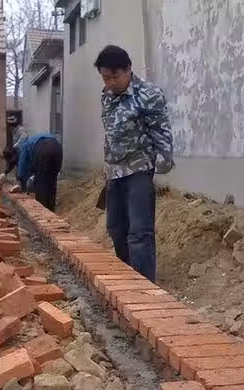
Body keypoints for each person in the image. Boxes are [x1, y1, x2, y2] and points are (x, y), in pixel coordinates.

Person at [95, 45, 174, 282]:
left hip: (139, 168)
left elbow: (161, 129)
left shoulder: (148, 94)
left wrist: (164, 161)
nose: (110, 83)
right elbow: (110, 133)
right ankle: (128, 277)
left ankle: (144, 285)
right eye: (105, 78)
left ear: (128, 69)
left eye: (114, 77)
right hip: (114, 172)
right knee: (115, 228)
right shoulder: (106, 95)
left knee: (139, 232)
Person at [1, 133, 62, 212]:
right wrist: (5, 172)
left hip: (42, 148)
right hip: (57, 147)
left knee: (41, 183)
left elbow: (22, 169)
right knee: (52, 181)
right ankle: (51, 210)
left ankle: (43, 211)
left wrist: (21, 186)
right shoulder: (22, 147)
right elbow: (14, 163)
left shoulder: (24, 148)